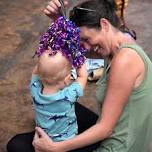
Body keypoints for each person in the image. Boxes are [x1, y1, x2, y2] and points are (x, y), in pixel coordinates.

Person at [7, 0, 152, 152]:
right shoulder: (121, 40)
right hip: (117, 129)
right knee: (61, 104)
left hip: (116, 146)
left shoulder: (125, 60)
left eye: (87, 39)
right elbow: (73, 50)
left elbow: (105, 129)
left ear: (104, 24)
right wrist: (59, 21)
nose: (86, 47)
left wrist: (55, 147)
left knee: (17, 145)